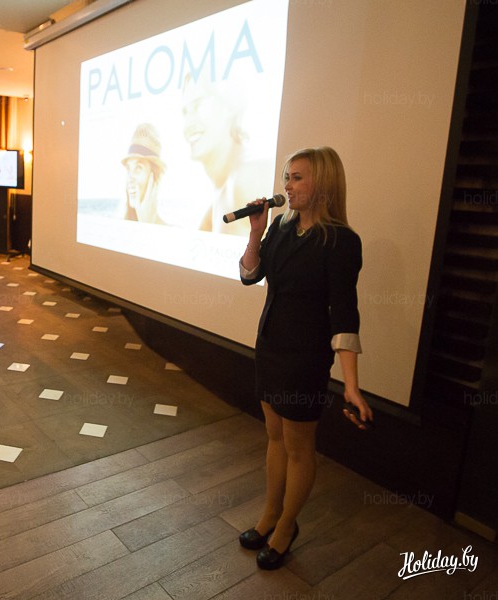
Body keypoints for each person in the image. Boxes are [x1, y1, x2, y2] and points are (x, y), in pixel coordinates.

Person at [238, 146, 371, 570]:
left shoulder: (341, 241)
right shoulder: (280, 226)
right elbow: (249, 275)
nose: (287, 186)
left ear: (323, 184)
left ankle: (286, 526)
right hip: (270, 347)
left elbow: (345, 315)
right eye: (286, 177)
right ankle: (269, 515)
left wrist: (351, 385)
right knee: (274, 437)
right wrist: (256, 232)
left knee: (298, 447)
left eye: (297, 178)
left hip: (305, 360)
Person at [182, 72, 269, 236]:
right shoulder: (223, 190)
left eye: (197, 106)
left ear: (229, 105)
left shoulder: (247, 179)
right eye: (185, 112)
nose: (188, 124)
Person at [120, 123, 166, 224]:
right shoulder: (122, 225)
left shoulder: (173, 231)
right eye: (129, 169)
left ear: (154, 178)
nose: (130, 179)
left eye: (138, 168)